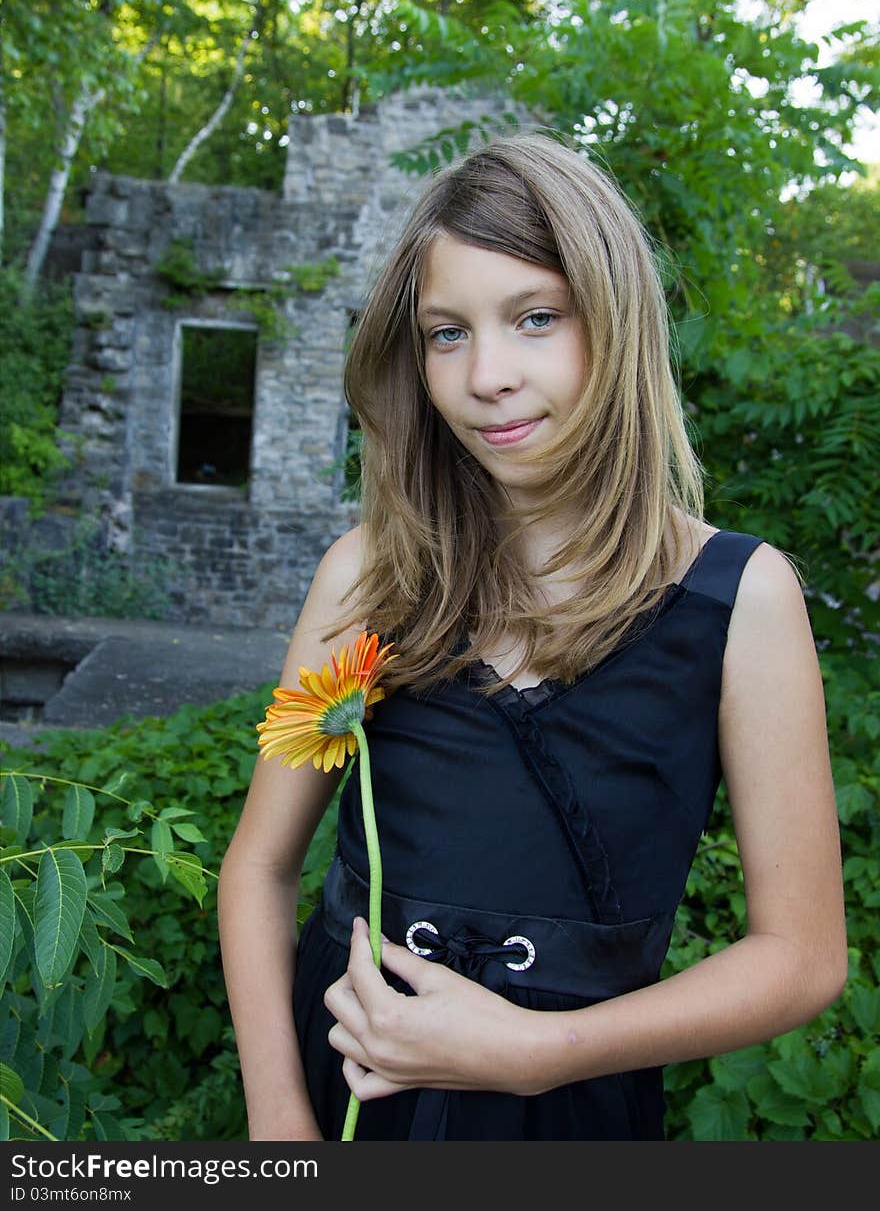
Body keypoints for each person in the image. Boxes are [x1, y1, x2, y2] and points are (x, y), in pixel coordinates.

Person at [217, 132, 847, 1141]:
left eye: (535, 318)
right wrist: (280, 1121)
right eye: (445, 333)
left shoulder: (739, 600)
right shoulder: (370, 575)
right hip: (344, 1096)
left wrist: (536, 1054)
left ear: (615, 324)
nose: (487, 375)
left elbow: (803, 955)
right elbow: (258, 868)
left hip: (562, 1115)